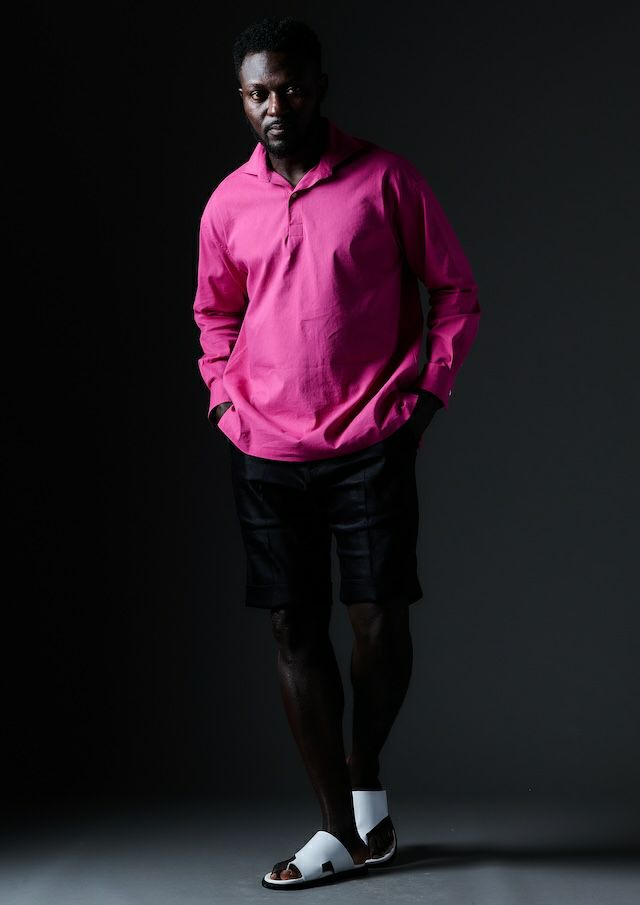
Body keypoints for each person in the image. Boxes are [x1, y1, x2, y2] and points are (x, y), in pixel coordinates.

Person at [192, 16, 481, 891]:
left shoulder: (387, 180)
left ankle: (362, 772)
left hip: (371, 440)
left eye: (289, 88)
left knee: (379, 621)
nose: (275, 107)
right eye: (257, 93)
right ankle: (334, 827)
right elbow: (214, 314)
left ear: (318, 85)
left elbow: (455, 292)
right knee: (293, 625)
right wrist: (223, 398)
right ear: (242, 99)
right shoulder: (226, 203)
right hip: (264, 447)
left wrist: (424, 397)